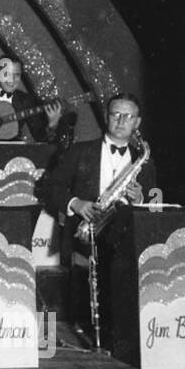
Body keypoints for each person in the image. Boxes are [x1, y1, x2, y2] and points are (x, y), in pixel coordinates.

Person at [45, 93, 157, 347]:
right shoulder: (80, 151)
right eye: (115, 114)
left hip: (125, 236)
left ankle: (119, 336)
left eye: (127, 116)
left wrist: (141, 199)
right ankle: (89, 334)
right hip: (86, 232)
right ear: (106, 117)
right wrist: (76, 203)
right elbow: (53, 186)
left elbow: (155, 205)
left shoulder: (145, 163)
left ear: (137, 123)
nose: (120, 120)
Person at [0, 54, 62, 143]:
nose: (12, 80)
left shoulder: (25, 100)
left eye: (16, 75)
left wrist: (52, 125)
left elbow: (39, 138)